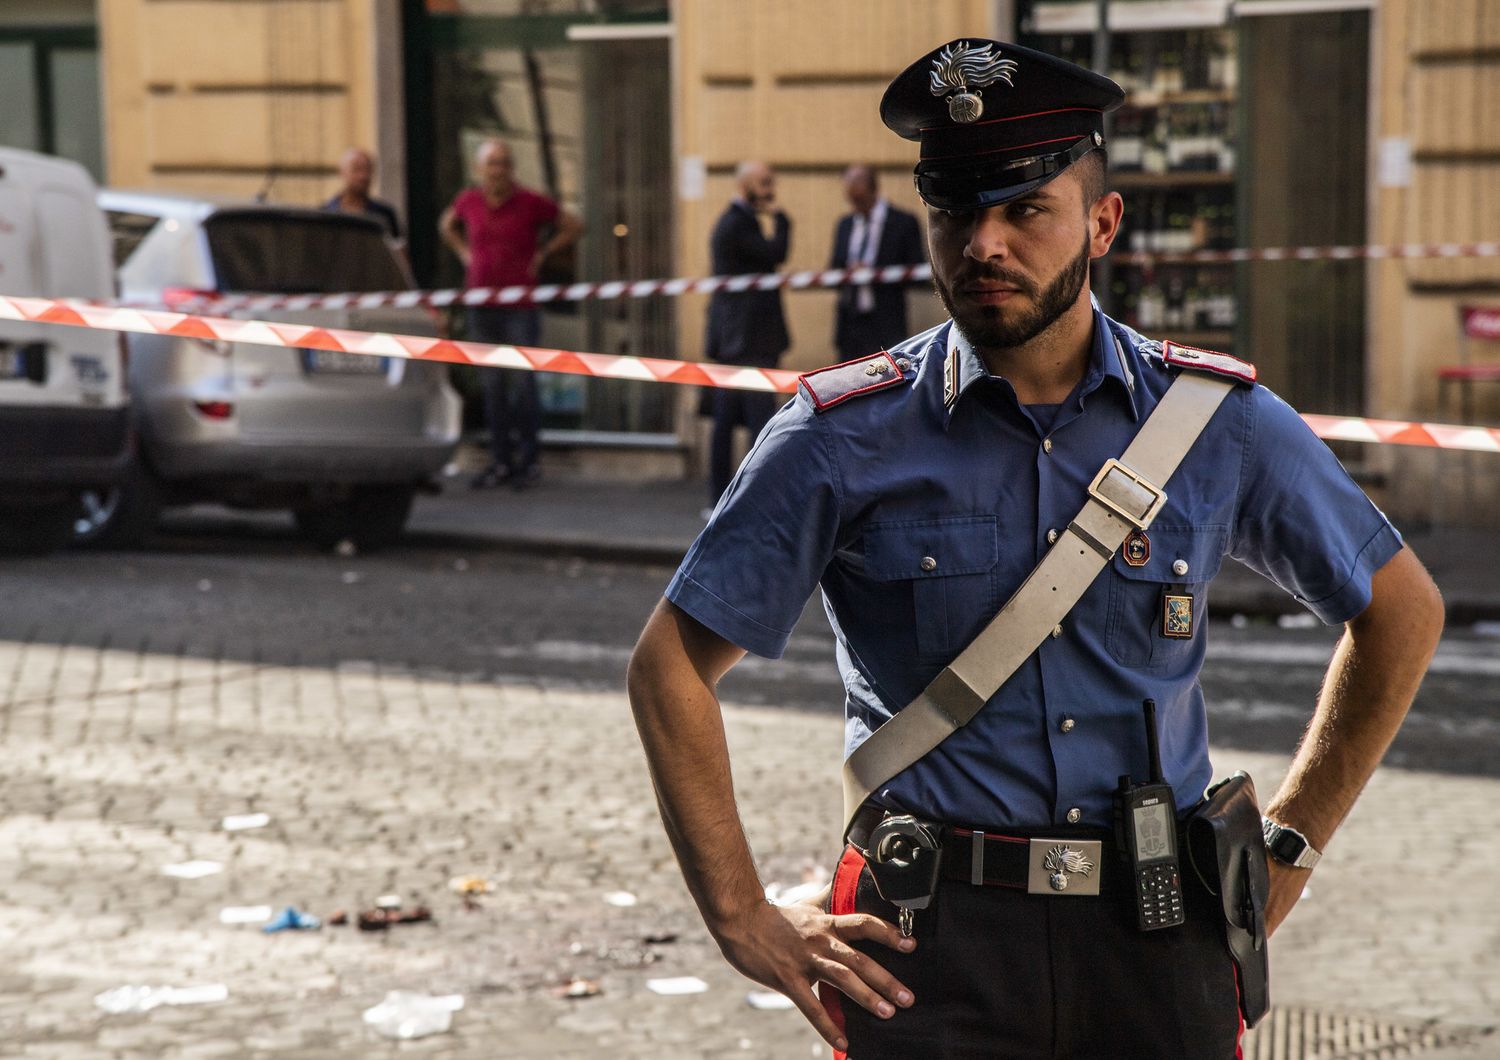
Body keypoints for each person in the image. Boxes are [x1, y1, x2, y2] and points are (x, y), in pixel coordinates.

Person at [627, 38, 1443, 1060]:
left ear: (1101, 223)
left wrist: (1290, 843)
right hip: (923, 947)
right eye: (959, 212)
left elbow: (1401, 609)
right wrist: (743, 915)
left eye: (1025, 210)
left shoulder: (1216, 422)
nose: (984, 243)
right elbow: (670, 665)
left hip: (1159, 935)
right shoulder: (839, 434)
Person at [439, 138, 581, 490]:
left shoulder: (530, 201)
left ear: (511, 169)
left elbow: (573, 225)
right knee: (493, 387)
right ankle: (501, 461)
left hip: (520, 307)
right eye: (492, 163)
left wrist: (543, 253)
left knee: (523, 384)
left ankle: (529, 461)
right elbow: (447, 225)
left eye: (503, 163)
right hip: (482, 305)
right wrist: (464, 253)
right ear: (480, 169)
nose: (498, 170)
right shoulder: (468, 201)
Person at [703, 160, 791, 508]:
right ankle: (753, 497)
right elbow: (775, 254)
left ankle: (725, 497)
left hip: (738, 339)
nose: (771, 190)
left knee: (730, 420)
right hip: (748, 339)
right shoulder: (737, 224)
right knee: (757, 421)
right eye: (765, 183)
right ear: (746, 186)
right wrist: (783, 221)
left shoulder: (738, 221)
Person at [828, 164, 926, 360]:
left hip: (886, 322)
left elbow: (917, 271)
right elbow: (833, 269)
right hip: (850, 323)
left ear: (872, 188)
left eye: (859, 198)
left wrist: (874, 273)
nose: (855, 204)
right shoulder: (845, 224)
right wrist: (849, 272)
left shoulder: (902, 222)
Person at [324, 147, 402, 242]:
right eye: (356, 169)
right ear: (342, 172)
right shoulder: (326, 214)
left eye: (368, 169)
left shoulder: (384, 215)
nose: (363, 176)